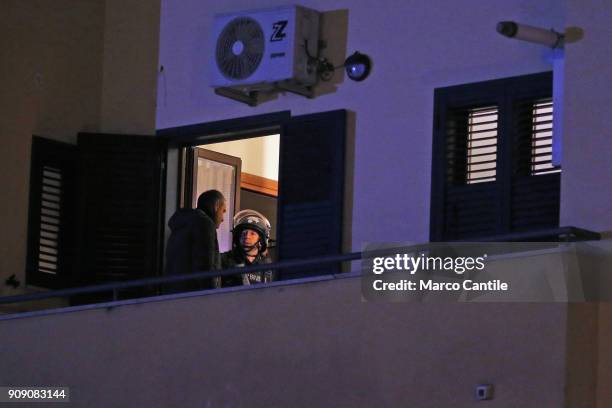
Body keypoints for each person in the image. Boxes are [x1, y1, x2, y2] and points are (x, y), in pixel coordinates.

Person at [164, 190, 226, 293]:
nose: (223, 218)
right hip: (195, 297)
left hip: (174, 293)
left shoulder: (182, 225)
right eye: (223, 211)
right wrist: (213, 296)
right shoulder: (205, 224)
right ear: (216, 206)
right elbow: (205, 265)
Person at [220, 209, 275, 287]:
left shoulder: (267, 266)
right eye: (244, 233)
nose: (247, 236)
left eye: (252, 234)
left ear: (261, 240)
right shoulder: (224, 260)